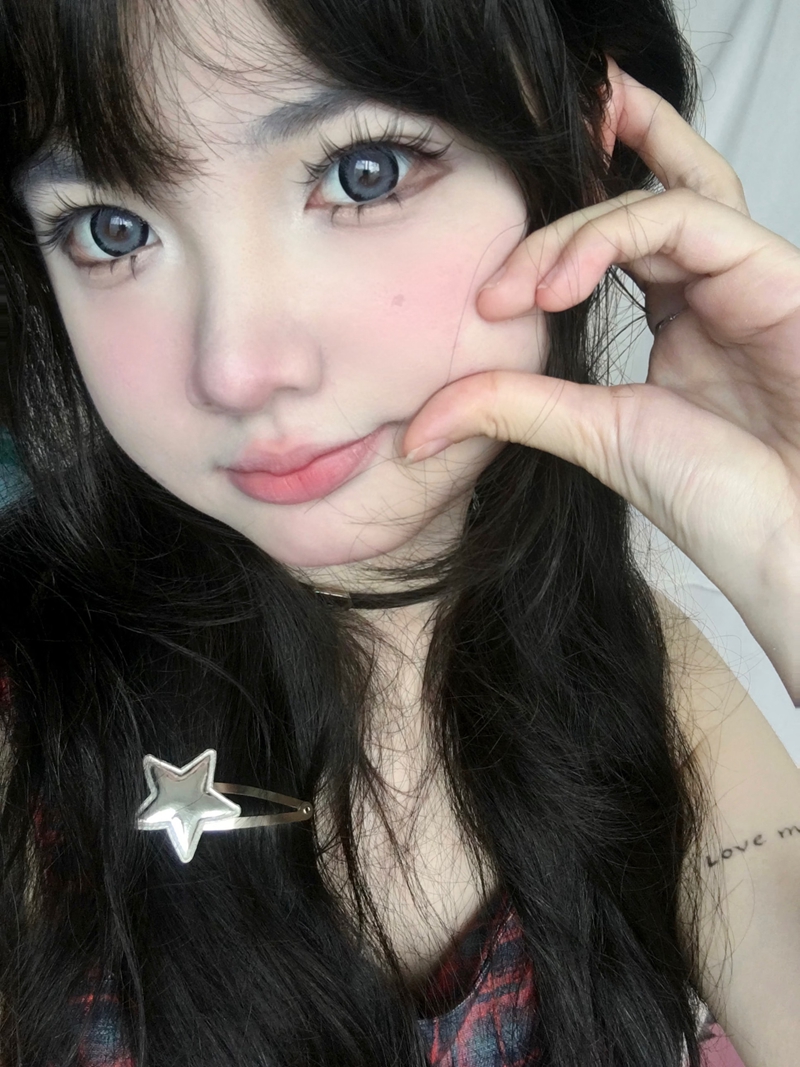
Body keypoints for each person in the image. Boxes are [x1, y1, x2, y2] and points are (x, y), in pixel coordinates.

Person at [0, 0, 797, 1065]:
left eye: (362, 173)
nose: (234, 369)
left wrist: (785, 547)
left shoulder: (652, 685)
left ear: (579, 147)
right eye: (112, 229)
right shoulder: (29, 715)